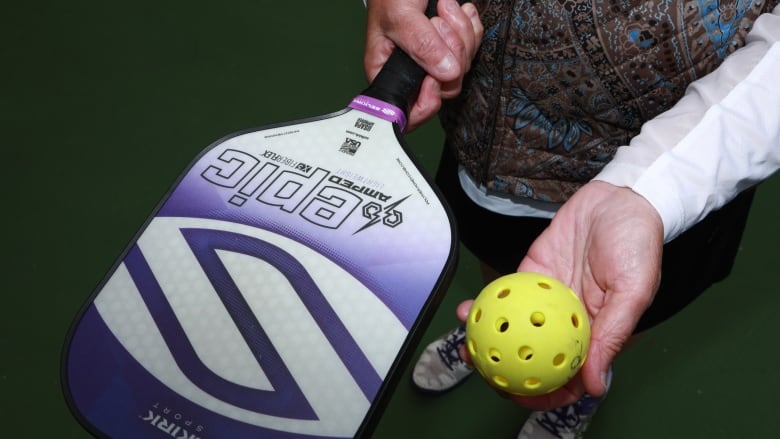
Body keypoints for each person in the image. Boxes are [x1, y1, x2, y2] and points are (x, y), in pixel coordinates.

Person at [363, 0, 780, 437]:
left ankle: (584, 380)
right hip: (491, 132)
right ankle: (495, 323)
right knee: (500, 259)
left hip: (681, 170)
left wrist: (652, 187)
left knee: (618, 302)